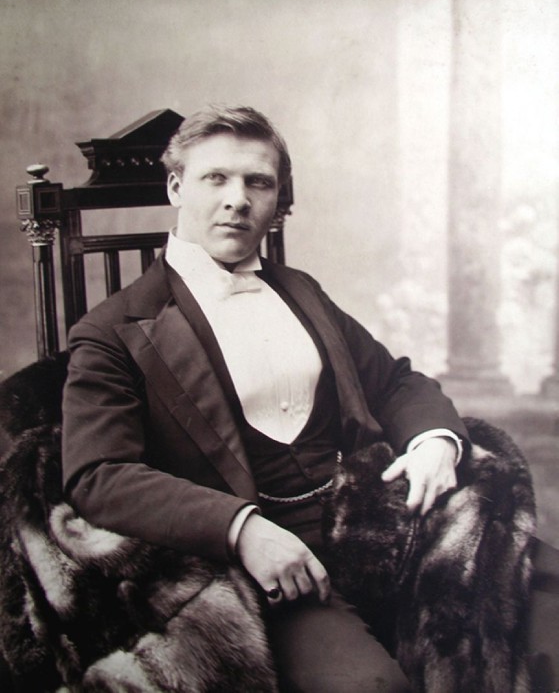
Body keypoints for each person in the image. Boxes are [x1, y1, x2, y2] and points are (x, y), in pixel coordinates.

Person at [62, 105, 469, 692]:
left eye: (258, 182)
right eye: (216, 178)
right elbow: (99, 474)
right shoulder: (112, 329)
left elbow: (395, 382)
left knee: (541, 623)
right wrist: (241, 529)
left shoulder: (301, 290)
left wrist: (434, 442)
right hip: (262, 565)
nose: (238, 200)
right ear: (175, 188)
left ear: (277, 198)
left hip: (372, 521)